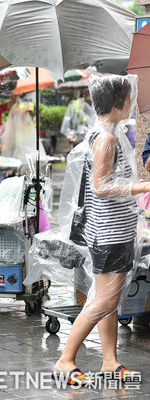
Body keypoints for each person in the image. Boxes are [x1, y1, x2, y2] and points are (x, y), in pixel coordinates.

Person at [54, 75, 149, 384]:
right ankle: (66, 360)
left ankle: (110, 361)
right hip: (109, 234)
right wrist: (142, 186)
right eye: (128, 96)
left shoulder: (109, 133)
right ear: (118, 102)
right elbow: (101, 186)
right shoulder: (106, 138)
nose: (132, 101)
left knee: (105, 298)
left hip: (112, 231)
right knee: (106, 301)